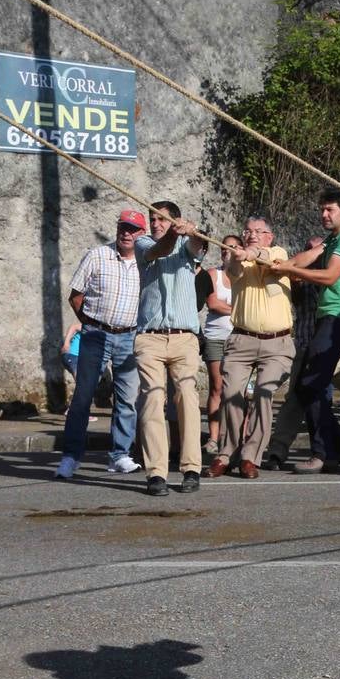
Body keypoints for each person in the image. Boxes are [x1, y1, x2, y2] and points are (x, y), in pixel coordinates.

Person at [271, 190, 340, 473]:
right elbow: (310, 255)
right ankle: (338, 447)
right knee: (309, 385)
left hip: (338, 319)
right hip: (328, 319)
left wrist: (293, 272)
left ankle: (323, 452)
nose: (324, 214)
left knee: (310, 384)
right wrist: (285, 265)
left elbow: (329, 276)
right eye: (322, 210)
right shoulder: (335, 239)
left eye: (330, 210)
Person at [55, 209, 145, 480]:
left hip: (130, 336)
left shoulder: (146, 262)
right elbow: (75, 296)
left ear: (142, 234)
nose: (126, 233)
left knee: (127, 399)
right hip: (96, 334)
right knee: (83, 397)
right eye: (123, 227)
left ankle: (119, 455)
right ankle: (70, 457)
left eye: (133, 229)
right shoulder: (97, 255)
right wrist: (90, 323)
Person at [131, 202, 206, 496]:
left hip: (185, 337)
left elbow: (200, 246)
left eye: (162, 219)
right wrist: (175, 233)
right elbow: (160, 250)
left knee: (187, 396)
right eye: (153, 219)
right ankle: (156, 473)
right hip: (149, 337)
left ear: (174, 220)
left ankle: (191, 469)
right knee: (152, 398)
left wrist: (194, 231)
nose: (155, 224)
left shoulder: (188, 245)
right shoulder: (144, 243)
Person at [215, 217, 295, 478]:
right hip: (241, 342)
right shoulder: (235, 261)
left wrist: (251, 251)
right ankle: (226, 453)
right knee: (231, 395)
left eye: (258, 232)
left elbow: (270, 258)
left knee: (263, 393)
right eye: (247, 231)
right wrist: (239, 256)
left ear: (269, 236)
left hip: (277, 343)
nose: (252, 235)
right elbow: (234, 269)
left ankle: (251, 457)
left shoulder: (279, 253)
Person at [200, 234, 240, 458]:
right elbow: (214, 303)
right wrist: (239, 309)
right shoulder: (212, 274)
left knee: (237, 390)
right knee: (217, 387)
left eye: (233, 247)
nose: (228, 251)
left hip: (240, 338)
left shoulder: (245, 274)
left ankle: (234, 437)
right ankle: (213, 438)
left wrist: (230, 306)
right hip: (216, 337)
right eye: (225, 248)